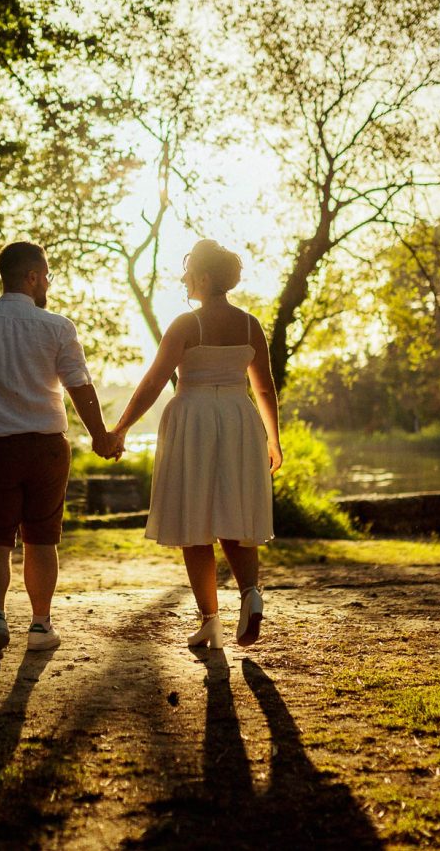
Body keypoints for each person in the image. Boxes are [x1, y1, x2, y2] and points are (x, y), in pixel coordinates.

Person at [0, 241, 120, 661]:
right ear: (33, 276)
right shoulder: (57, 326)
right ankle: (40, 624)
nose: (49, 285)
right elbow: (79, 385)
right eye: (47, 277)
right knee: (42, 538)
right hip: (46, 448)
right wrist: (99, 434)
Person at [112, 239, 281, 648]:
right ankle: (250, 594)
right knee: (235, 514)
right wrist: (274, 439)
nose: (183, 279)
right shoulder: (250, 324)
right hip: (240, 419)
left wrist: (119, 429)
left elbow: (153, 383)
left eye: (188, 273)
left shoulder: (187, 324)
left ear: (204, 278)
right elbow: (265, 388)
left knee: (195, 522)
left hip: (195, 420)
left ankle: (211, 618)